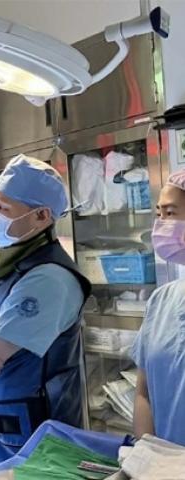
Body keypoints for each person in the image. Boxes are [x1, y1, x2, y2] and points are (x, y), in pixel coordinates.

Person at [0, 154, 91, 470]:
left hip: (39, 444)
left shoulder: (49, 278)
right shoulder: (0, 265)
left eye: (2, 208)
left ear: (41, 216)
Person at [132, 170, 185, 446]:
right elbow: (144, 393)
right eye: (158, 214)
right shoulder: (161, 300)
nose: (161, 224)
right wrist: (148, 456)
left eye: (170, 213)